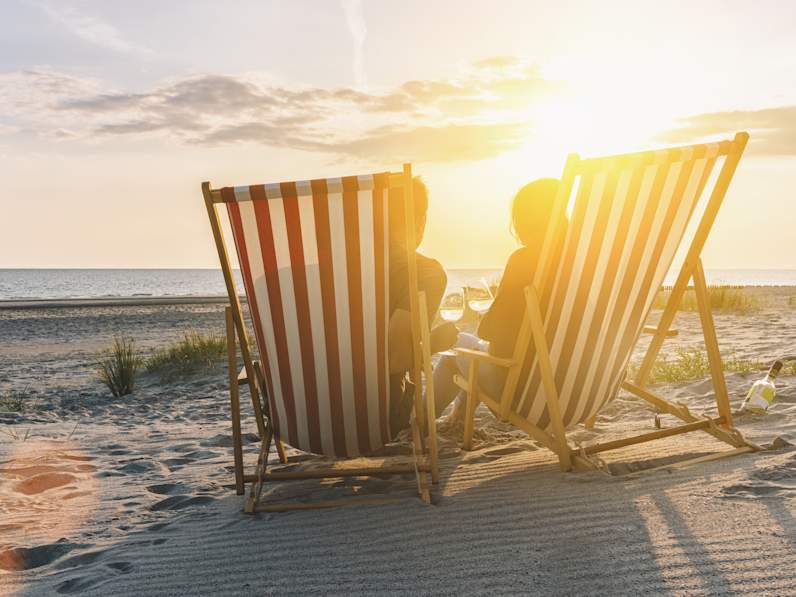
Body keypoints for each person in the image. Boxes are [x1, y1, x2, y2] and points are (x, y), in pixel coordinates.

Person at [432, 178, 562, 424]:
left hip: (528, 396)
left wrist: (487, 323)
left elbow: (495, 338)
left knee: (456, 347)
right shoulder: (587, 263)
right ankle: (457, 420)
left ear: (525, 220)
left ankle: (421, 422)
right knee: (472, 346)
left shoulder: (526, 260)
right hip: (576, 389)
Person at [388, 177, 457, 437]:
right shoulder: (424, 273)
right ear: (420, 221)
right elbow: (397, 357)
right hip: (380, 417)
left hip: (295, 419)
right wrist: (434, 343)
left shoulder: (317, 274)